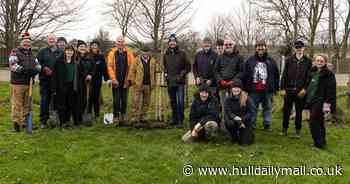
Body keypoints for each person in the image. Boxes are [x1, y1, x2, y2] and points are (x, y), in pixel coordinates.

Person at [242, 39, 280, 131]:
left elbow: (276, 75)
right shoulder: (250, 61)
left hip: (267, 90)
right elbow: (245, 75)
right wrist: (245, 88)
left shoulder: (271, 61)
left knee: (267, 108)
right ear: (255, 48)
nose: (260, 48)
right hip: (253, 90)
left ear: (265, 48)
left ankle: (267, 124)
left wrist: (275, 88)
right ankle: (252, 124)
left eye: (262, 46)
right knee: (252, 108)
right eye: (258, 46)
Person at [9, 32, 41, 132]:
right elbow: (13, 65)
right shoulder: (15, 52)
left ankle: (25, 122)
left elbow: (38, 65)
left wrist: (36, 70)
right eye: (24, 41)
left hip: (29, 83)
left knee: (27, 104)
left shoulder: (32, 54)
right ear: (21, 42)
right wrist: (24, 70)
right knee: (17, 104)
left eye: (28, 41)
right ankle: (16, 123)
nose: (26, 43)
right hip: (17, 83)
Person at [280, 41, 312, 137]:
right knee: (286, 110)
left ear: (303, 48)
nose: (299, 49)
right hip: (289, 90)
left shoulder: (308, 61)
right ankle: (284, 129)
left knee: (299, 112)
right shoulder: (289, 60)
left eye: (300, 47)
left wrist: (305, 89)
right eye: (297, 47)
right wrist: (282, 88)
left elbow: (309, 77)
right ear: (295, 48)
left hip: (300, 91)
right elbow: (284, 75)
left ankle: (297, 131)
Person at [306, 54, 336, 149]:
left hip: (321, 101)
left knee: (313, 121)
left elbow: (331, 90)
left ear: (325, 62)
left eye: (321, 61)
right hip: (312, 100)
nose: (319, 62)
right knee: (319, 122)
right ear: (314, 61)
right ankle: (322, 141)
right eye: (317, 61)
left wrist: (327, 104)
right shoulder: (312, 71)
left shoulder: (329, 74)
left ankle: (318, 144)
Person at [163, 34, 191, 128]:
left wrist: (181, 75)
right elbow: (165, 66)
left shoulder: (182, 53)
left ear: (176, 43)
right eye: (170, 41)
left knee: (180, 102)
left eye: (174, 41)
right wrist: (166, 74)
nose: (172, 43)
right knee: (173, 101)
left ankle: (180, 120)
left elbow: (188, 66)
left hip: (180, 82)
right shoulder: (166, 54)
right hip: (170, 81)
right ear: (168, 43)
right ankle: (174, 119)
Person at [214, 39, 244, 126]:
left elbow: (241, 71)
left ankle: (237, 124)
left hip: (235, 87)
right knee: (224, 106)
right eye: (226, 44)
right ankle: (225, 125)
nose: (228, 46)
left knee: (236, 106)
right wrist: (220, 80)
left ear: (233, 45)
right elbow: (216, 70)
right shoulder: (220, 57)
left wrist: (233, 81)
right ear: (224, 46)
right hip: (222, 87)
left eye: (230, 44)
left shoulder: (239, 57)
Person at [52, 45, 82, 129]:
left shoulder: (75, 63)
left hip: (72, 86)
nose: (69, 52)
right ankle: (63, 122)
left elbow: (78, 76)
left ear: (73, 52)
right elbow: (54, 76)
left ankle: (68, 121)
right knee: (62, 105)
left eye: (71, 51)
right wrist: (54, 88)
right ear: (65, 51)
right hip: (61, 87)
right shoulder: (59, 62)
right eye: (68, 50)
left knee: (71, 105)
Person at [106, 36, 135, 125]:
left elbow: (132, 66)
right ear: (116, 43)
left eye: (122, 41)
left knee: (124, 100)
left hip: (126, 80)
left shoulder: (129, 53)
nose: (120, 43)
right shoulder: (112, 53)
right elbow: (109, 67)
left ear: (124, 43)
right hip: (116, 81)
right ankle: (116, 116)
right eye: (119, 41)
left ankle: (123, 115)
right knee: (116, 100)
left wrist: (130, 78)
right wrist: (113, 79)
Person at [37, 34, 63, 128]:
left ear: (56, 40)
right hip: (45, 80)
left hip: (57, 81)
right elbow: (37, 64)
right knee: (45, 100)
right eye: (49, 39)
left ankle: (56, 119)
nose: (51, 40)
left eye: (53, 39)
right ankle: (43, 121)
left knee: (57, 100)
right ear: (47, 41)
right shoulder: (42, 51)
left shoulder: (61, 52)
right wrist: (44, 68)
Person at [129, 46, 157, 128]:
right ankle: (134, 117)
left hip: (148, 85)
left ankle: (143, 116)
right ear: (141, 52)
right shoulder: (136, 60)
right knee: (135, 101)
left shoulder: (153, 61)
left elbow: (155, 72)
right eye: (144, 52)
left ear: (149, 52)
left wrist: (154, 82)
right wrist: (133, 82)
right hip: (138, 84)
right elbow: (132, 71)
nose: (145, 53)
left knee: (146, 102)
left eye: (147, 51)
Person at [224, 79, 255, 145]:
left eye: (238, 87)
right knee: (230, 123)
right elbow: (228, 112)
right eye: (234, 87)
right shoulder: (227, 99)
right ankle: (234, 136)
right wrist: (238, 121)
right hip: (233, 120)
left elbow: (251, 112)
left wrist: (242, 120)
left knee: (244, 143)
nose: (236, 89)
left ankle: (247, 134)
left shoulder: (246, 98)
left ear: (241, 89)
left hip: (245, 121)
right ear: (231, 89)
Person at [87, 40, 109, 119]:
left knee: (96, 98)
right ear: (90, 46)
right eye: (92, 45)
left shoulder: (101, 56)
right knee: (89, 97)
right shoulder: (87, 56)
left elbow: (104, 68)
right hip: (88, 80)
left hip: (97, 80)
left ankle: (97, 114)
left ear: (98, 47)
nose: (94, 47)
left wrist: (107, 78)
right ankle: (88, 113)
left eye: (95, 45)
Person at [76, 40, 94, 125]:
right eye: (80, 47)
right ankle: (78, 117)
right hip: (78, 81)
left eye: (83, 46)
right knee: (78, 99)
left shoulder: (89, 57)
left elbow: (94, 68)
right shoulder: (75, 57)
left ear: (86, 48)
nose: (82, 48)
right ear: (78, 48)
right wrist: (85, 75)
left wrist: (90, 74)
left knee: (86, 99)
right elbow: (78, 69)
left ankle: (85, 115)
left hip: (88, 82)